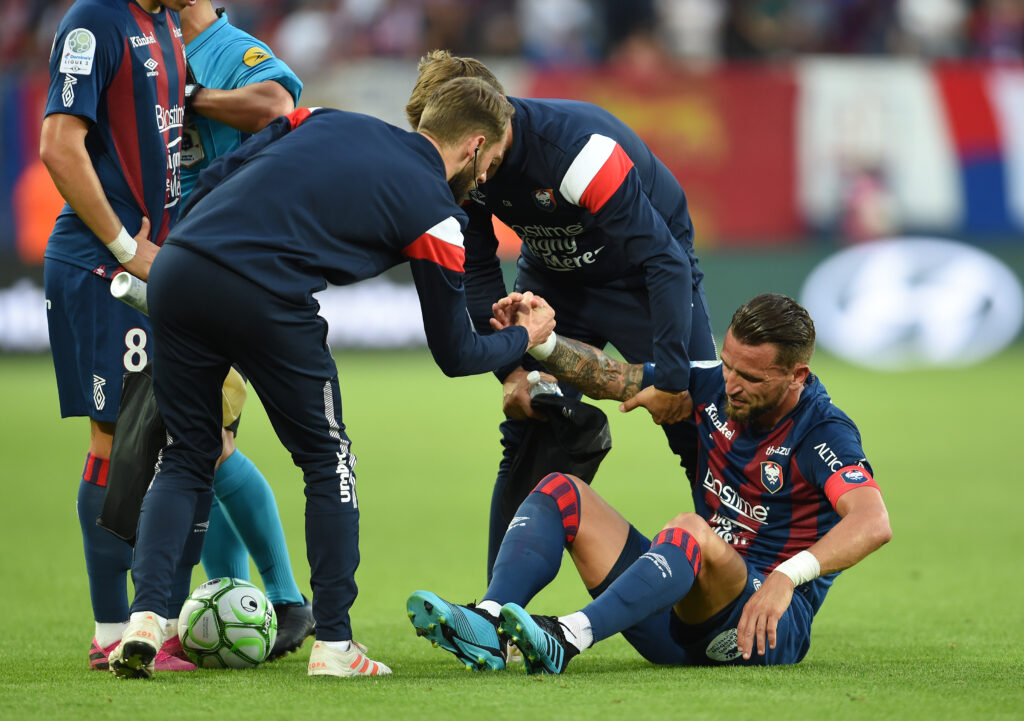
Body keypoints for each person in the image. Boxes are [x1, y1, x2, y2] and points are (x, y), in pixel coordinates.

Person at [108, 77, 556, 679]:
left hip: (181, 265)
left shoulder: (322, 117)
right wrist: (524, 340)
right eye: (491, 163)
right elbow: (455, 352)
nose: (486, 178)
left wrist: (190, 245)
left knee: (186, 453)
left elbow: (223, 172)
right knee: (328, 460)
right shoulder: (437, 211)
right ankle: (336, 646)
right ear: (474, 146)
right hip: (265, 291)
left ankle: (145, 619)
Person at [407, 293, 892, 672]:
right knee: (561, 491)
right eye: (727, 365)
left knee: (691, 530)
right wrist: (540, 342)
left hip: (762, 628)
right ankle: (490, 621)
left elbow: (872, 522)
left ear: (796, 375)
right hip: (678, 610)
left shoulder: (822, 430)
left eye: (749, 376)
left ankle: (568, 636)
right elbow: (612, 375)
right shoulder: (709, 384)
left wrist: (789, 576)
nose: (731, 384)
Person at [405, 50, 719, 579]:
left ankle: (736, 593)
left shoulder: (578, 153)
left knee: (701, 425)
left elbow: (664, 260)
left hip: (642, 277)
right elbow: (478, 267)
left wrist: (669, 374)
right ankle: (495, 613)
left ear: (478, 135)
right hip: (555, 282)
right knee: (532, 428)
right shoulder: (467, 166)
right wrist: (511, 372)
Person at [40, 0, 198, 673]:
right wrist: (124, 244)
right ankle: (112, 631)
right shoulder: (94, 22)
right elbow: (58, 144)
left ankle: (154, 619)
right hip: (103, 266)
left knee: (174, 437)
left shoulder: (165, 21)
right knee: (116, 438)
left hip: (154, 263)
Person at [177, 0, 314, 660]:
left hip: (221, 262)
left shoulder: (231, 48)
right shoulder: (141, 46)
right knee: (188, 448)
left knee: (203, 443)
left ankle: (287, 599)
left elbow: (275, 104)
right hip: (168, 264)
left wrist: (193, 95)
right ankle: (230, 595)